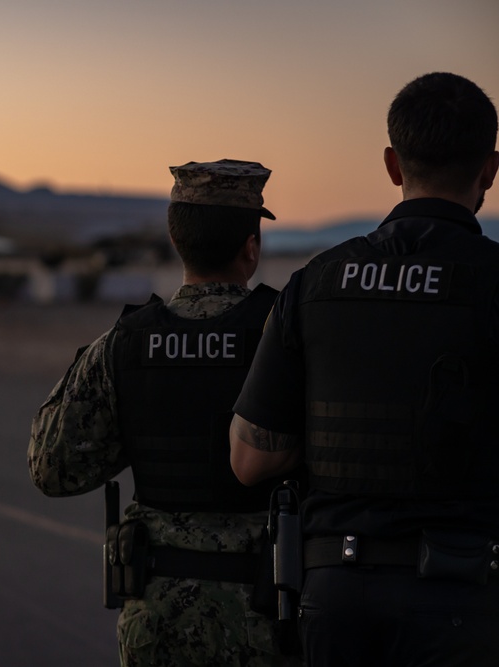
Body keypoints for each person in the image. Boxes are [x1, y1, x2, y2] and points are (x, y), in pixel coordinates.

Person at [230, 72, 499, 667]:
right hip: (466, 600)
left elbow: (251, 459)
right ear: (490, 169)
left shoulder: (315, 282)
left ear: (392, 165)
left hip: (336, 599)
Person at [29, 159, 301, 666]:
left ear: (177, 242)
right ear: (251, 248)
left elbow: (53, 470)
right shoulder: (287, 338)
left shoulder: (122, 345)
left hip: (158, 620)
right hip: (267, 613)